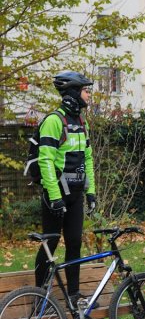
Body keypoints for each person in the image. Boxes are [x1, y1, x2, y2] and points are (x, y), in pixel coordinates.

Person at [34, 71, 96, 300]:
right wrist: (54, 196)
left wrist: (90, 192)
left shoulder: (81, 121)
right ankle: (39, 296)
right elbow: (46, 161)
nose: (89, 95)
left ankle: (73, 294)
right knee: (50, 242)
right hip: (56, 194)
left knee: (74, 243)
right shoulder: (54, 121)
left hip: (76, 193)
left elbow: (87, 158)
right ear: (73, 93)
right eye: (86, 90)